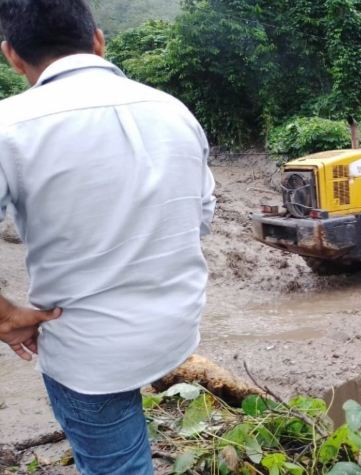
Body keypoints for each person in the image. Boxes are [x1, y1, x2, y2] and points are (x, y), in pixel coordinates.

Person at [0, 1, 216, 473]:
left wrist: (6, 317)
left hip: (87, 353)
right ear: (98, 40)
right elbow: (200, 219)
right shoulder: (175, 110)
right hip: (175, 328)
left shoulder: (9, 127)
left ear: (12, 56)